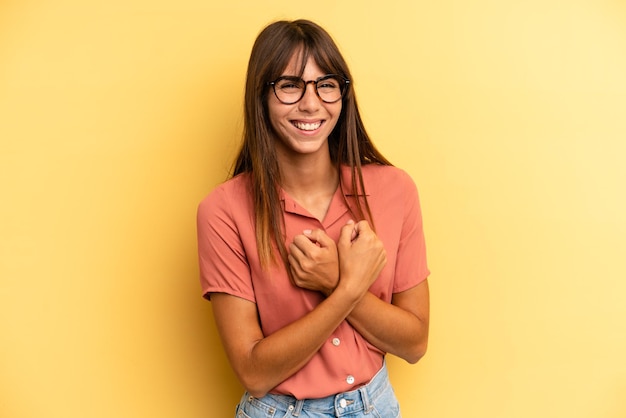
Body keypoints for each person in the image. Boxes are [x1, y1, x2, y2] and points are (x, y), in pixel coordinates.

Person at [197, 19, 430, 418]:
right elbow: (254, 371)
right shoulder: (224, 210)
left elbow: (414, 342)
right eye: (289, 85)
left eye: (326, 84)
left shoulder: (396, 190)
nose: (311, 103)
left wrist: (333, 279)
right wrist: (344, 287)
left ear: (342, 94)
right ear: (261, 96)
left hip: (376, 406)